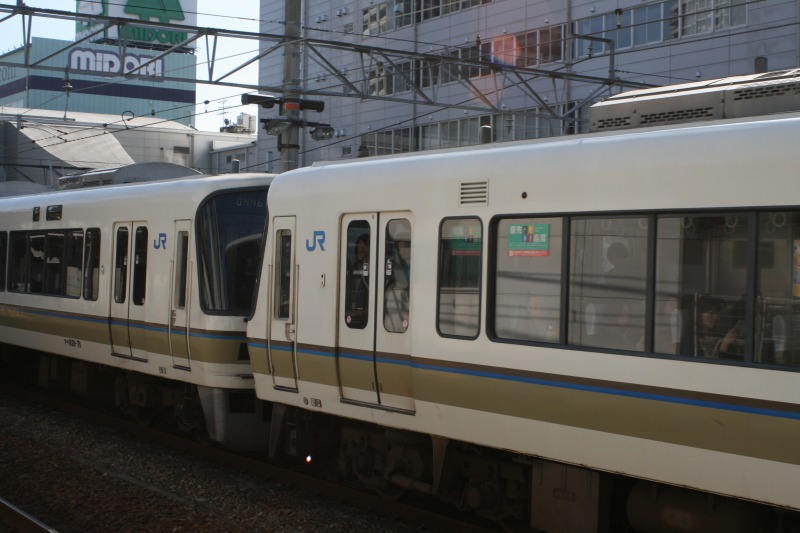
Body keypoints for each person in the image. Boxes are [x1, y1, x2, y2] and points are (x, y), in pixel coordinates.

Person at [346, 234, 370, 327]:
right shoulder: (355, 267)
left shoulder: (379, 266)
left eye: (364, 246)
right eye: (359, 247)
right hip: (358, 310)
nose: (361, 249)